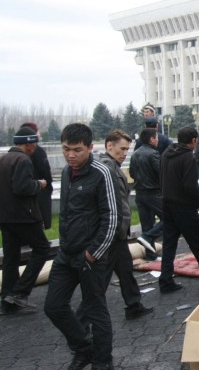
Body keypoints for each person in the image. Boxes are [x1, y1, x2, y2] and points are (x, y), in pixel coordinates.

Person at [44, 123, 121, 370]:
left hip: (91, 257)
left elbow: (112, 217)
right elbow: (67, 213)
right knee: (54, 306)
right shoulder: (67, 172)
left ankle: (102, 363)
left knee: (96, 312)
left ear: (90, 147)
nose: (70, 155)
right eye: (66, 149)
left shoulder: (102, 172)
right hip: (66, 254)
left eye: (77, 150)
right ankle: (84, 349)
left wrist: (92, 254)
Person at [97, 130, 153, 320]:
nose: (124, 153)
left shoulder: (112, 166)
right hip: (111, 233)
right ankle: (83, 321)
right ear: (109, 146)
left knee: (125, 270)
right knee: (101, 281)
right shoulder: (106, 168)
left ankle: (134, 305)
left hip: (118, 233)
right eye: (121, 149)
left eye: (127, 150)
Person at [159, 126, 199, 293]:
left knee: (169, 244)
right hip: (184, 206)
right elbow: (190, 185)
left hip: (167, 203)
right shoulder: (187, 157)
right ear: (193, 140)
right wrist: (198, 201)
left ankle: (165, 279)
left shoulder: (166, 153)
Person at [0, 127, 50, 314]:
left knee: (11, 258)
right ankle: (20, 292)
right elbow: (22, 187)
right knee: (42, 249)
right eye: (34, 143)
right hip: (25, 216)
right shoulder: (23, 160)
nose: (36, 146)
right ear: (28, 143)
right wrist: (40, 184)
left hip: (6, 216)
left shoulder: (4, 158)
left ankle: (7, 301)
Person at [130, 128, 163, 259]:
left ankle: (150, 255)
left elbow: (132, 173)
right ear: (151, 139)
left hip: (139, 193)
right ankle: (147, 237)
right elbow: (161, 172)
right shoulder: (153, 154)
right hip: (154, 193)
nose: (158, 140)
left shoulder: (135, 154)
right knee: (170, 218)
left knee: (147, 224)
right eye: (156, 137)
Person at [20, 122, 53, 229]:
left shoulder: (16, 154)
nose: (39, 134)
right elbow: (46, 173)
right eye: (37, 131)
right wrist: (48, 187)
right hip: (40, 192)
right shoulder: (38, 151)